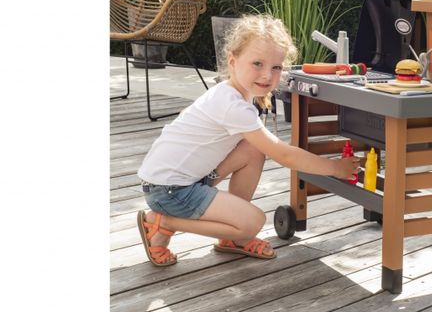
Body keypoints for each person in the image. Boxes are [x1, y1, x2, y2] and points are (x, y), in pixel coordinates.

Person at [135, 14, 361, 266]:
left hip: (174, 180)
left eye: (276, 67)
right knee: (253, 222)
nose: (267, 75)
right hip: (170, 190)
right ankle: (163, 222)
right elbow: (283, 154)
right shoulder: (232, 105)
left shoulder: (232, 93)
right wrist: (334, 168)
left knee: (253, 147)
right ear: (232, 61)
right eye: (257, 64)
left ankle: (231, 236)